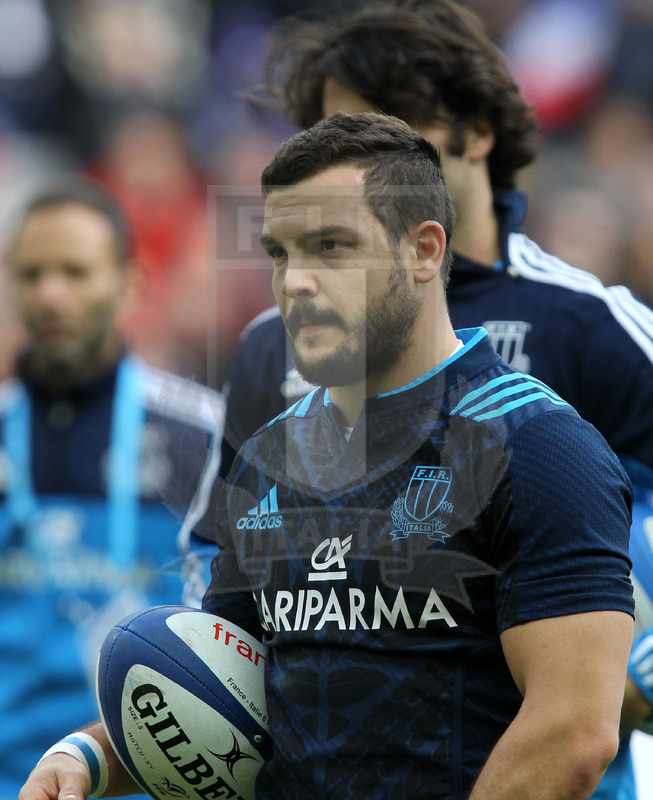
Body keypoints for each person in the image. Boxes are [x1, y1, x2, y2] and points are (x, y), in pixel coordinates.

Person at [20, 112, 636, 800]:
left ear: (425, 251)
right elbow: (214, 678)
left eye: (331, 247)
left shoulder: (535, 445)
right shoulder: (269, 456)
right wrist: (88, 757)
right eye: (280, 252)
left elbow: (574, 732)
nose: (295, 282)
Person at [218, 3, 653, 796]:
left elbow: (575, 716)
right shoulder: (269, 352)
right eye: (341, 127)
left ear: (474, 131)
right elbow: (226, 608)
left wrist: (640, 657)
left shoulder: (592, 332)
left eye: (392, 123)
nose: (368, 149)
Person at [0, 179, 223, 799]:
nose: (51, 294)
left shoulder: (203, 434)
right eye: (32, 274)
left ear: (129, 285)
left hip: (151, 779)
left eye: (75, 272)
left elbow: (228, 623)